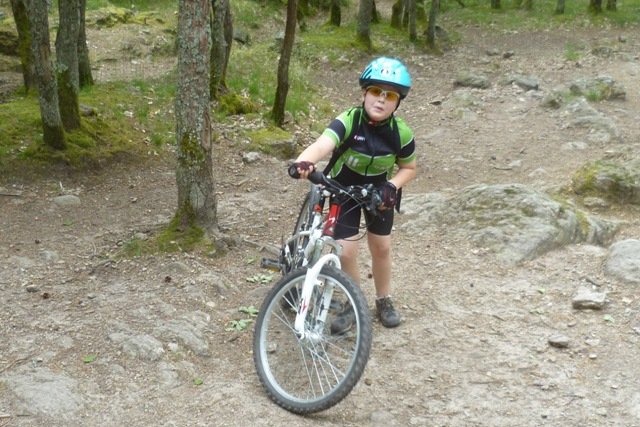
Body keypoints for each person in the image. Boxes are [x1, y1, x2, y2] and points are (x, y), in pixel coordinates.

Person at [288, 57, 417, 333]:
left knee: (381, 247)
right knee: (347, 252)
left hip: (378, 192)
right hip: (343, 189)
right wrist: (304, 161)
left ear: (398, 102)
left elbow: (409, 168)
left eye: (390, 95)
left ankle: (384, 299)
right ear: (364, 93)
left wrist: (392, 186)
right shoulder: (349, 120)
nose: (381, 100)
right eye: (375, 92)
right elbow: (323, 144)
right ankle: (352, 301)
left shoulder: (401, 133)